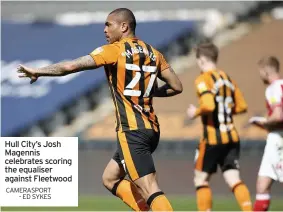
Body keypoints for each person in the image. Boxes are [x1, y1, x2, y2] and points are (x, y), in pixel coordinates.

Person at [17, 8, 183, 211]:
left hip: (132, 131)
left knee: (149, 187)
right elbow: (176, 86)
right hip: (151, 129)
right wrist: (145, 92)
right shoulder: (154, 53)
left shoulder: (114, 50)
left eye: (108, 24)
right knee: (110, 178)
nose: (104, 29)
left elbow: (70, 67)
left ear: (124, 26)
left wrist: (39, 71)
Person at [186, 42, 252, 211]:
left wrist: (196, 112)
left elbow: (208, 105)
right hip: (231, 136)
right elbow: (242, 106)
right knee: (233, 179)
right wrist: (226, 110)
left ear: (201, 60)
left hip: (212, 138)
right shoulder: (227, 79)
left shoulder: (203, 79)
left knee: (200, 179)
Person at [248, 56, 283, 211]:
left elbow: (278, 115)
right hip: (275, 138)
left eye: (260, 72)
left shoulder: (273, 88)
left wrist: (263, 122)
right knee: (262, 185)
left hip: (279, 139)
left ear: (265, 71)